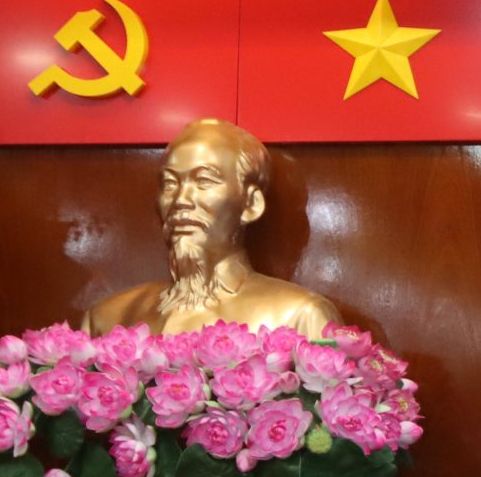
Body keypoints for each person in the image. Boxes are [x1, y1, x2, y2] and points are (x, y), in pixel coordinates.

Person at [82, 118, 339, 337]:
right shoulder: (107, 319)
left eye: (204, 181)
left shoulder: (299, 317)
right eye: (170, 183)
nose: (181, 200)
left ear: (251, 204)